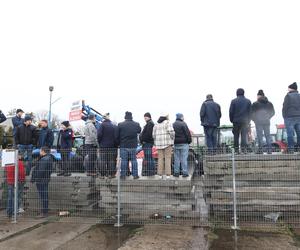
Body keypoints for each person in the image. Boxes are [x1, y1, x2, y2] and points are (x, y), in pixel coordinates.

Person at [118, 111, 141, 180]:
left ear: (125, 116)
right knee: (134, 160)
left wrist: (118, 143)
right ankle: (135, 175)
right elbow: (139, 131)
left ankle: (123, 175)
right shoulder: (136, 124)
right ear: (131, 116)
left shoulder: (120, 124)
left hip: (123, 145)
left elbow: (117, 135)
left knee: (124, 160)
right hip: (133, 146)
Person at [31, 147, 53, 218]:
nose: (39, 152)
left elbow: (40, 171)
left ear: (43, 151)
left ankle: (44, 212)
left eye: (40, 151)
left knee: (43, 196)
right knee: (44, 195)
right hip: (44, 179)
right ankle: (45, 210)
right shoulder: (48, 158)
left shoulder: (44, 159)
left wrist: (35, 178)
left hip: (41, 180)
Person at [251, 90, 275, 154]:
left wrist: (255, 119)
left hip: (258, 122)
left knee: (260, 136)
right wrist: (268, 117)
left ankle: (260, 150)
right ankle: (269, 150)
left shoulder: (255, 104)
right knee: (268, 136)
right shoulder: (269, 103)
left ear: (259, 96)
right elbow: (273, 112)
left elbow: (251, 113)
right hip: (267, 122)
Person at [153, 113, 175, 179]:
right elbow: (172, 132)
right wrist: (172, 138)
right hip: (167, 143)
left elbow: (153, 135)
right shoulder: (168, 123)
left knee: (160, 159)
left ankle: (160, 175)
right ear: (166, 116)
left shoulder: (156, 124)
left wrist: (156, 141)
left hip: (159, 144)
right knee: (168, 158)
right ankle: (168, 175)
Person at [229, 88, 252, 153]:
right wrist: (248, 120)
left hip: (236, 121)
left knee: (236, 136)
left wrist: (232, 120)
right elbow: (250, 112)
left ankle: (236, 150)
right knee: (244, 136)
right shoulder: (248, 101)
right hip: (245, 121)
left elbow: (231, 112)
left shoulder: (233, 101)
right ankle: (243, 150)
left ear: (237, 93)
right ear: (243, 93)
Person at [97, 113, 118, 178]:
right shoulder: (113, 126)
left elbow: (99, 135)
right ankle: (111, 174)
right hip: (112, 147)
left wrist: (100, 142)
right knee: (111, 160)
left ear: (103, 119)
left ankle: (103, 175)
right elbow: (116, 137)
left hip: (103, 146)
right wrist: (115, 145)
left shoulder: (102, 125)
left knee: (102, 160)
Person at [6, 154, 26, 219]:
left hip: (10, 181)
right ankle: (15, 211)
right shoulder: (19, 163)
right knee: (17, 196)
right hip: (18, 182)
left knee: (10, 197)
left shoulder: (8, 163)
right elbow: (22, 172)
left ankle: (9, 212)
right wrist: (22, 180)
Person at [282, 82, 300, 153]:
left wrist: (284, 115)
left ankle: (291, 149)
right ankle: (298, 148)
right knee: (299, 133)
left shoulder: (288, 96)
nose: (287, 89)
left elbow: (285, 107)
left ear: (291, 88)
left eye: (288, 88)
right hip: (298, 117)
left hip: (289, 117)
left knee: (290, 134)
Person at [173, 113, 192, 177]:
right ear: (181, 117)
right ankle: (185, 173)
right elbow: (187, 133)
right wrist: (189, 141)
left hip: (176, 144)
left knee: (176, 159)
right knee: (184, 158)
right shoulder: (183, 124)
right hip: (184, 144)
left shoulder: (173, 124)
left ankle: (176, 172)